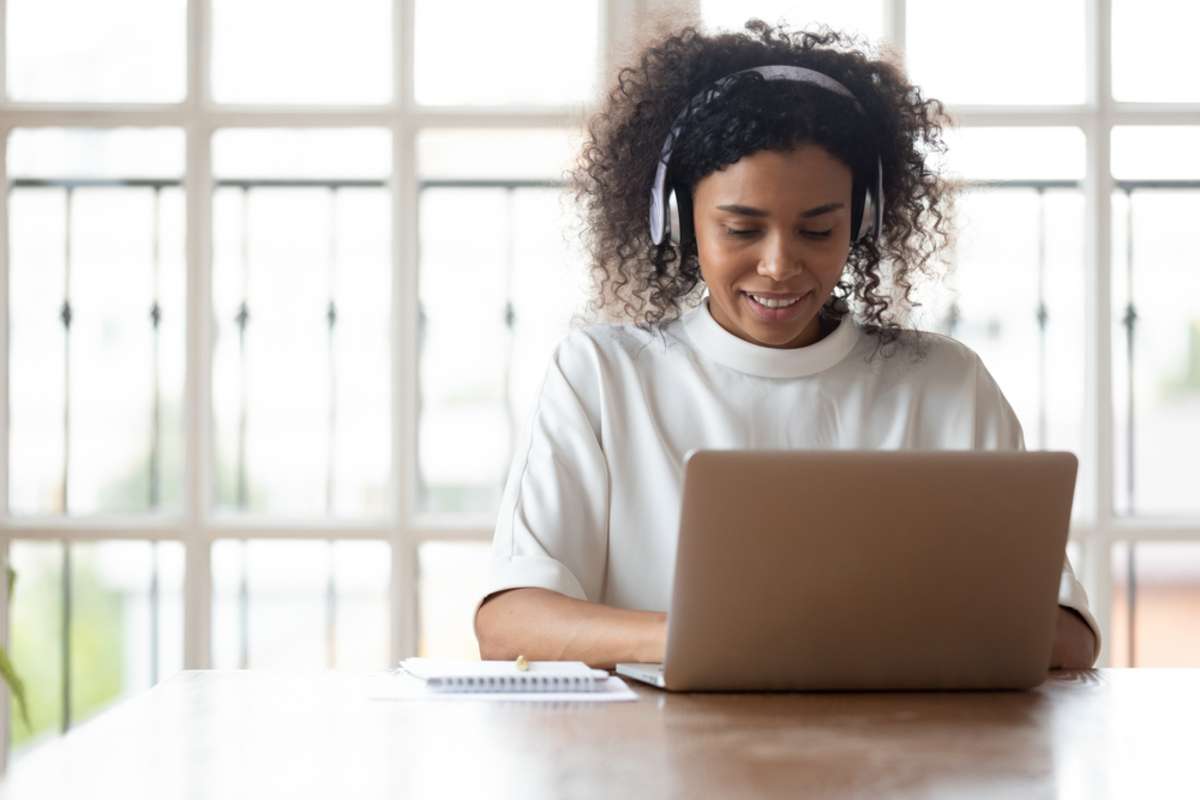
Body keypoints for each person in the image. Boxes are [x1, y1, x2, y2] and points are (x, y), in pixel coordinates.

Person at [473, 21, 1100, 670]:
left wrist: (802, 639)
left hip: (900, 760)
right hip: (654, 762)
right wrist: (708, 639)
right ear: (678, 220)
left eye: (817, 230)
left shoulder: (945, 383)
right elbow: (510, 624)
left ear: (863, 222)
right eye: (742, 228)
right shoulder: (602, 376)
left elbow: (1067, 637)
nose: (779, 265)